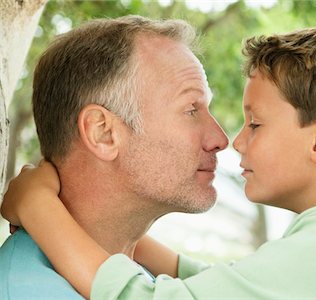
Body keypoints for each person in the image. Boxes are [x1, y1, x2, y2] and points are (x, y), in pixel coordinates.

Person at [3, 24, 316, 299]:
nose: (227, 140)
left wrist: (40, 206)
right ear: (103, 131)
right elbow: (222, 285)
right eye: (191, 109)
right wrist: (117, 234)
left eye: (255, 125)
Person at [0, 15, 228, 299]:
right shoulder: (29, 291)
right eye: (191, 110)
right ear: (103, 132)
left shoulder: (146, 280)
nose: (220, 140)